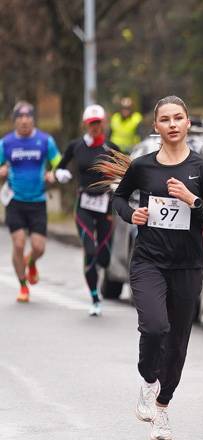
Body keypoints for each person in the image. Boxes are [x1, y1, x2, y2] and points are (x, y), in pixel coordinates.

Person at [107, 96, 203, 440]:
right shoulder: (143, 166)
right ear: (156, 127)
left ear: (188, 123)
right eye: (165, 119)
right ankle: (147, 380)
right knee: (155, 327)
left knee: (177, 343)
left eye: (178, 118)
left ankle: (162, 408)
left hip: (187, 266)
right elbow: (118, 198)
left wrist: (193, 200)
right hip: (149, 261)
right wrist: (133, 214)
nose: (172, 124)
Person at [55, 104, 120, 316]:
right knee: (90, 251)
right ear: (86, 124)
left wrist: (120, 183)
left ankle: (99, 276)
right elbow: (61, 166)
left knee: (104, 257)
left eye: (98, 123)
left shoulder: (111, 148)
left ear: (103, 123)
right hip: (84, 203)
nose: (95, 127)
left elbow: (129, 170)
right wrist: (60, 174)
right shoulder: (76, 146)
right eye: (91, 124)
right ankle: (94, 297)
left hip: (105, 205)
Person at [0, 101, 61, 303]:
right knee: (18, 244)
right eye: (20, 118)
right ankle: (23, 286)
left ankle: (31, 261)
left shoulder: (45, 141)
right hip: (15, 200)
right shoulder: (6, 143)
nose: (24, 121)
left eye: (28, 117)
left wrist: (53, 174)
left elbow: (58, 163)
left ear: (33, 119)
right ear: (15, 121)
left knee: (39, 247)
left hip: (38, 201)